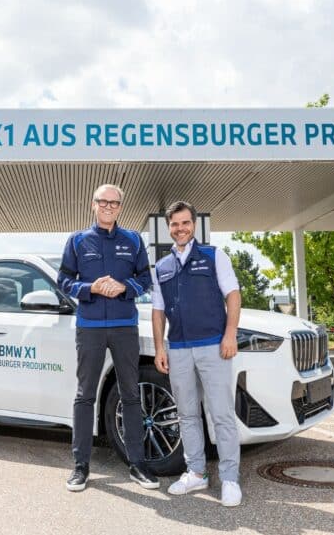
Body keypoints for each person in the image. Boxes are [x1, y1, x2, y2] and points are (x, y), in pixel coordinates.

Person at [57, 183, 159, 492]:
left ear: (120, 208)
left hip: (124, 326)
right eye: (103, 201)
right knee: (85, 395)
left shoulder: (133, 240)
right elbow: (63, 280)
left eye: (114, 203)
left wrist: (125, 287)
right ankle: (80, 466)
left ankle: (137, 464)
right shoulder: (77, 241)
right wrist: (90, 288)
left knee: (130, 394)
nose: (108, 207)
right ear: (93, 204)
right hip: (89, 327)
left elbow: (146, 279)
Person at [151, 200, 243, 506]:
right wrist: (159, 347)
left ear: (194, 225)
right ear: (169, 228)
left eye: (185, 223)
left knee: (221, 413)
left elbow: (233, 295)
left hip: (213, 345)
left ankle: (229, 478)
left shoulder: (214, 256)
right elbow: (158, 311)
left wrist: (230, 334)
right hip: (178, 349)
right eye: (175, 224)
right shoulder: (161, 267)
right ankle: (196, 473)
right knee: (187, 414)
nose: (180, 229)